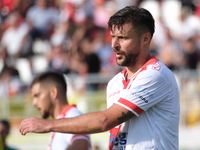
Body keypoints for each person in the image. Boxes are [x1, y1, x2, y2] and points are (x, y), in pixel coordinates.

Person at [19, 6, 180, 150]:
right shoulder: (114, 83)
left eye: (122, 38)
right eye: (113, 37)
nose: (114, 44)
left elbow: (105, 121)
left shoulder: (156, 75)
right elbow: (117, 137)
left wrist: (48, 125)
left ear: (145, 38)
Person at [28, 71, 91, 150]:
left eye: (37, 95)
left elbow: (81, 146)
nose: (34, 103)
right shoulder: (62, 119)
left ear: (53, 92)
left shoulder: (72, 116)